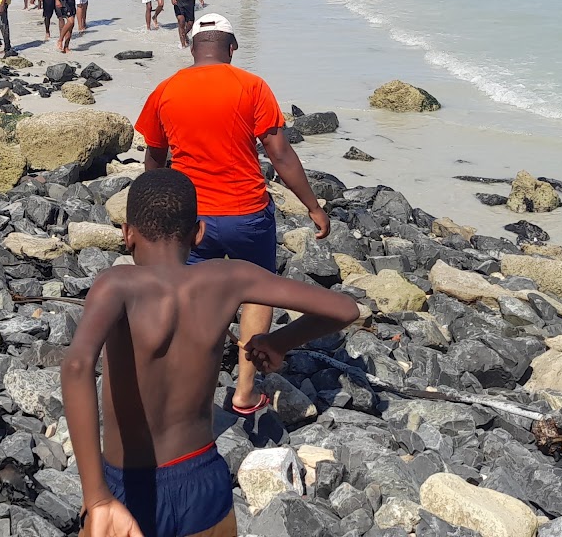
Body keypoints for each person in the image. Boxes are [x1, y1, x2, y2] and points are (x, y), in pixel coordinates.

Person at [60, 168, 357, 537]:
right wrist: (280, 341)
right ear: (199, 233)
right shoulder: (227, 279)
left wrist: (97, 496)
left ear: (127, 233)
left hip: (128, 486)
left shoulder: (117, 285)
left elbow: (76, 365)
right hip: (202, 476)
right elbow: (345, 309)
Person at [135, 15, 333, 417]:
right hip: (247, 213)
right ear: (232, 48)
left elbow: (154, 157)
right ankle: (244, 391)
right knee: (256, 291)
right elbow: (280, 154)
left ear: (192, 49)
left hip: (192, 219)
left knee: (192, 295)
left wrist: (151, 211)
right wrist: (313, 206)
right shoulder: (252, 86)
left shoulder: (166, 90)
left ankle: (186, 385)